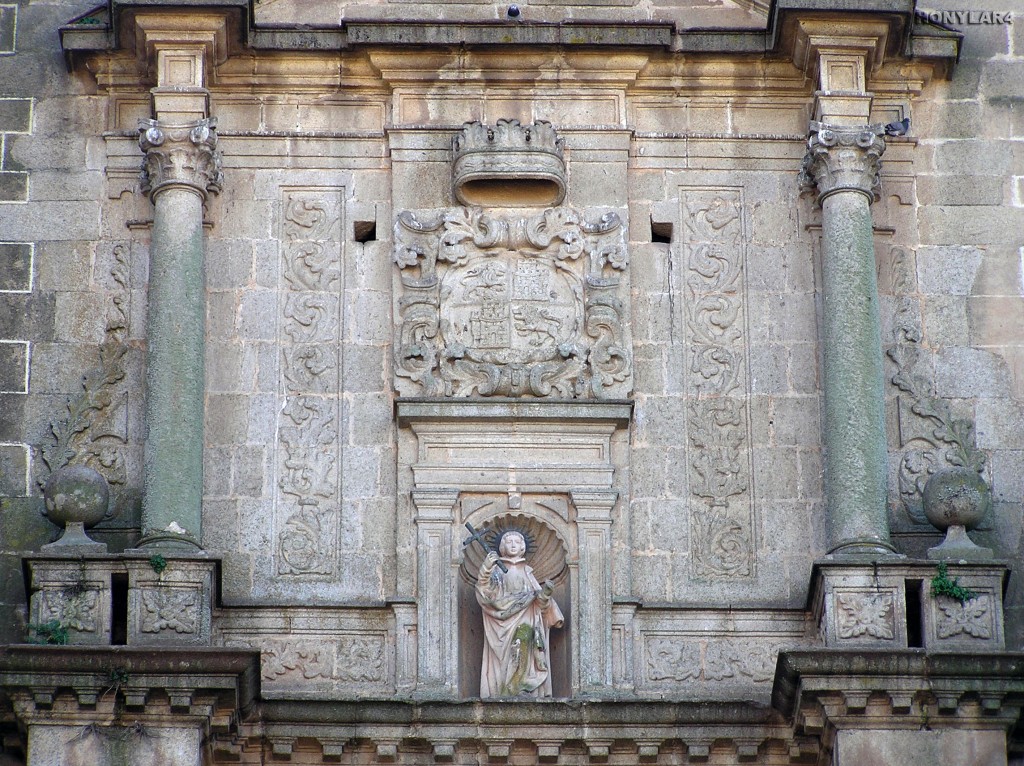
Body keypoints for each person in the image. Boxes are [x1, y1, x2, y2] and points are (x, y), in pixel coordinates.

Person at [475, 530, 564, 697]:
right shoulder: (497, 571)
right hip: (501, 624)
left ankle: (521, 687)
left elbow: (540, 604)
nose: (513, 544)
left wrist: (545, 594)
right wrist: (486, 567)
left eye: (517, 541)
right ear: (502, 547)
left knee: (523, 644)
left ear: (523, 547)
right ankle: (504, 689)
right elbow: (484, 592)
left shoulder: (528, 573)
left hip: (526, 620)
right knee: (509, 654)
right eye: (509, 541)